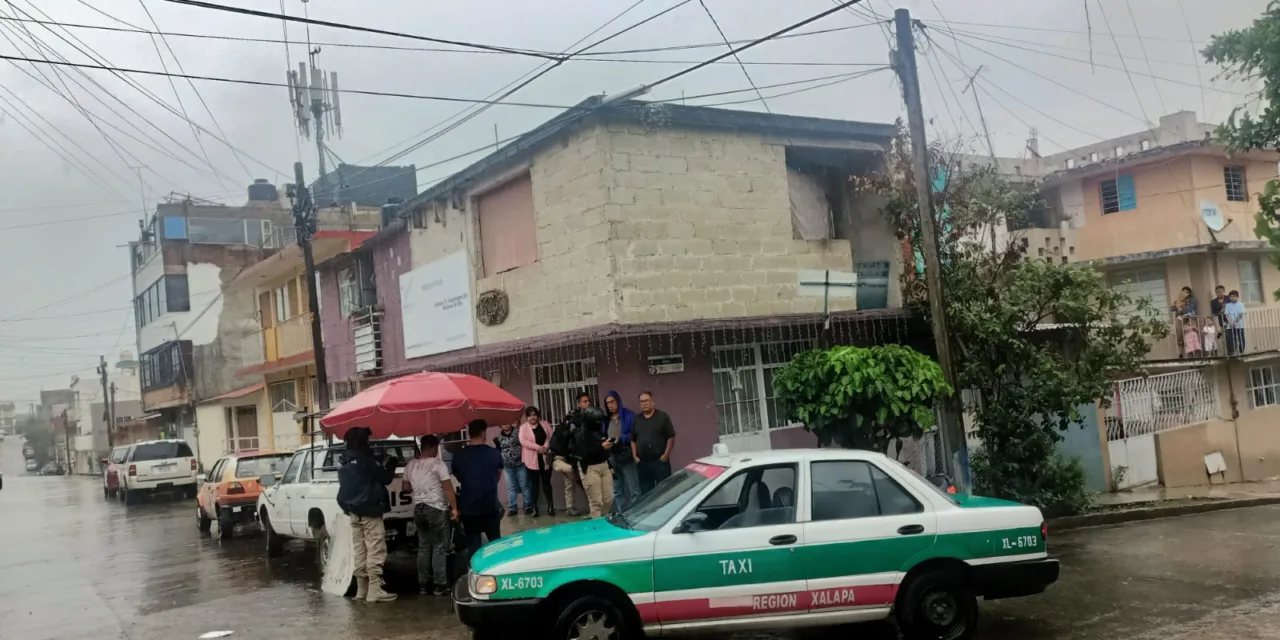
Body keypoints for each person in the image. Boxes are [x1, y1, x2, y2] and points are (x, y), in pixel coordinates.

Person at [335, 426, 398, 603]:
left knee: (360, 550)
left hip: (353, 511)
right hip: (370, 509)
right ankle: (375, 590)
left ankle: (361, 590)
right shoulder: (365, 461)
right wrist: (390, 465)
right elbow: (385, 478)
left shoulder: (343, 462)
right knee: (375, 549)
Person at [402, 435, 459, 596]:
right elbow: (448, 488)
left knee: (424, 547)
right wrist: (454, 508)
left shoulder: (411, 465)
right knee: (439, 547)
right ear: (432, 447)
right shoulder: (437, 464)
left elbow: (405, 488)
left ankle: (423, 585)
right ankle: (440, 584)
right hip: (436, 508)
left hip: (418, 509)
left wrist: (420, 487)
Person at [451, 420, 504, 555]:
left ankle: (474, 573)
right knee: (496, 545)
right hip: (489, 505)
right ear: (483, 432)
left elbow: (458, 477)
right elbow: (498, 476)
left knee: (473, 546)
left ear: (469, 433)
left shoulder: (459, 455)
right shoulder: (494, 453)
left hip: (468, 506)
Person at [572, 405, 615, 518]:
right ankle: (597, 527)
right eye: (597, 420)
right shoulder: (581, 435)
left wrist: (610, 465)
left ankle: (604, 521)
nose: (599, 423)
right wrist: (601, 447)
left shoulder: (599, 432)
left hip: (604, 465)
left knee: (608, 499)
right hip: (590, 468)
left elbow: (604, 451)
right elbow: (584, 453)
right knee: (596, 502)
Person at [631, 390, 676, 495]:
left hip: (660, 462)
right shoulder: (637, 419)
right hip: (643, 463)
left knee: (665, 492)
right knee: (647, 495)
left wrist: (666, 455)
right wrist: (635, 457)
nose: (644, 403)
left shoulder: (662, 417)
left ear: (652, 402)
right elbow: (632, 439)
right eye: (642, 402)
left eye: (646, 401)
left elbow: (671, 437)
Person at [604, 390, 640, 512]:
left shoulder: (629, 415)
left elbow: (635, 435)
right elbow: (602, 435)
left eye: (612, 402)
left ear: (618, 401)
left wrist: (620, 439)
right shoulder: (606, 420)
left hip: (627, 456)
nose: (610, 405)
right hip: (612, 459)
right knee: (617, 490)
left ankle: (636, 514)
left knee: (633, 488)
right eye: (607, 403)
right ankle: (622, 513)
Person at [518, 407, 555, 517]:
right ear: (527, 417)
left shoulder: (545, 424)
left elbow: (551, 437)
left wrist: (545, 447)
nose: (532, 417)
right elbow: (523, 441)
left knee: (546, 483)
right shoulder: (523, 427)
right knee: (534, 485)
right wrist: (538, 447)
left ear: (538, 415)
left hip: (545, 458)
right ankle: (535, 508)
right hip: (531, 460)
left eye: (534, 415)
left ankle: (550, 506)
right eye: (530, 415)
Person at [494, 422, 532, 516]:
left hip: (520, 464)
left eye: (507, 422)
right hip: (507, 466)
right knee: (511, 488)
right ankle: (512, 508)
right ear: (500, 425)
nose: (505, 424)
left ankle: (528, 506)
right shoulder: (498, 438)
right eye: (503, 423)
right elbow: (498, 451)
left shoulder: (518, 433)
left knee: (525, 486)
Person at [1225, 290, 1247, 355]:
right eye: (1231, 296)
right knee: (1230, 338)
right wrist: (1230, 322)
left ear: (1237, 297)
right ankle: (1232, 351)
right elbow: (1226, 314)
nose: (1232, 298)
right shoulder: (1228, 305)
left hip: (1239, 324)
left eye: (1234, 296)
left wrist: (1235, 321)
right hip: (1230, 325)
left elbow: (1241, 314)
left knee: (1241, 338)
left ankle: (1241, 351)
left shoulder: (1241, 304)